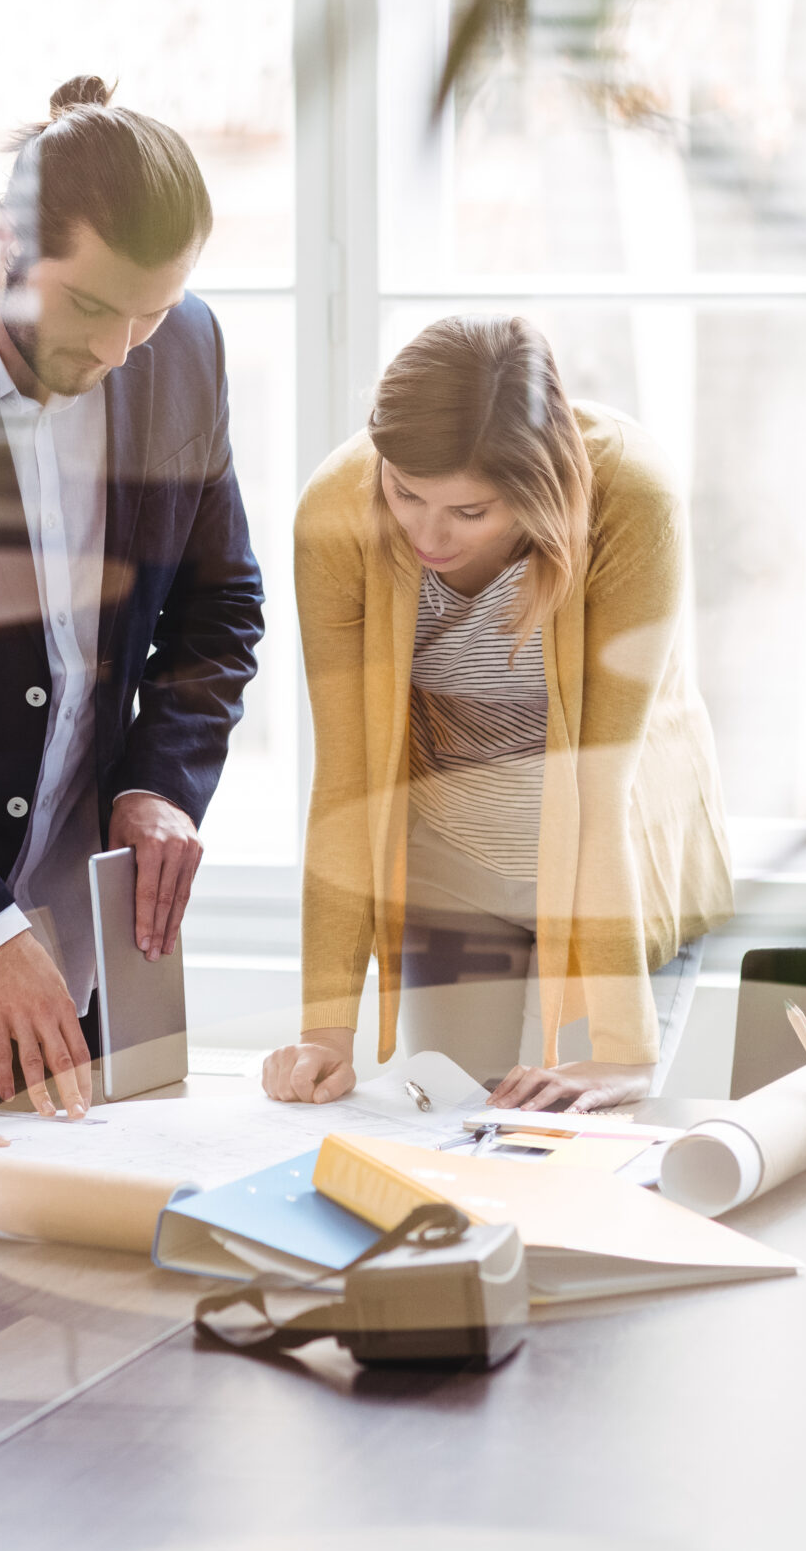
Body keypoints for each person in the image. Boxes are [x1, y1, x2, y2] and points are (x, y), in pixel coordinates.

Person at [0, 74, 266, 1117]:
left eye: (151, 312)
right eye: (89, 305)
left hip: (79, 969)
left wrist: (159, 781)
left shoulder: (184, 350)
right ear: (5, 230)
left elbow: (220, 606)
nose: (117, 349)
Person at [264, 315, 732, 1114]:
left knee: (579, 1155)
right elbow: (346, 782)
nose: (426, 533)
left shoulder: (631, 496)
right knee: (450, 1139)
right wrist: (325, 1033)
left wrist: (624, 1054)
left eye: (469, 512)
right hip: (453, 869)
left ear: (539, 487)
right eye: (404, 493)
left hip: (615, 865)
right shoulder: (337, 511)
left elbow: (598, 786)